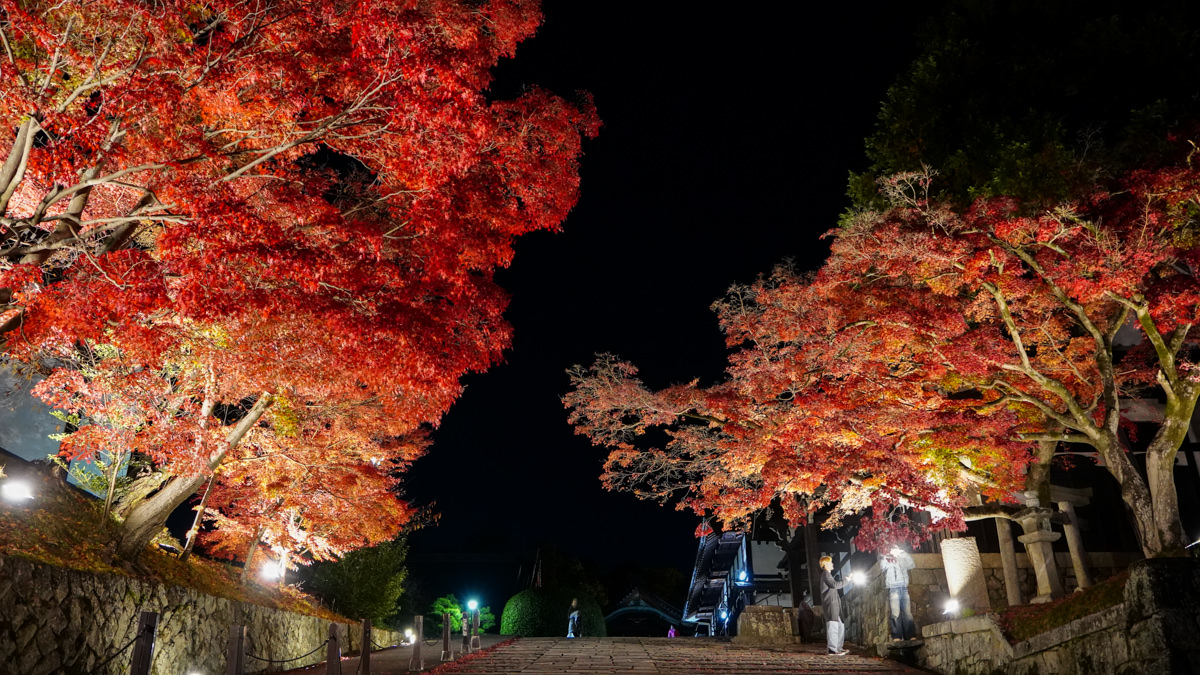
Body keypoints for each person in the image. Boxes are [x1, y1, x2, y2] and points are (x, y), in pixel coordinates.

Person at [880, 547, 917, 641]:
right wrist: (887, 555)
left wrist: (902, 552)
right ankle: (896, 636)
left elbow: (911, 564)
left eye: (896, 547)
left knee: (907, 612)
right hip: (893, 588)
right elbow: (882, 567)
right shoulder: (887, 558)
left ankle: (910, 635)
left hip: (904, 588)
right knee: (895, 613)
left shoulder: (902, 557)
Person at [819, 555, 850, 656]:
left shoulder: (827, 575)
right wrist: (846, 580)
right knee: (833, 625)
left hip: (834, 603)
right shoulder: (826, 574)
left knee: (840, 625)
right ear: (826, 564)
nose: (832, 564)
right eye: (830, 562)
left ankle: (838, 648)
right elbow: (834, 585)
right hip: (831, 603)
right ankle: (832, 649)